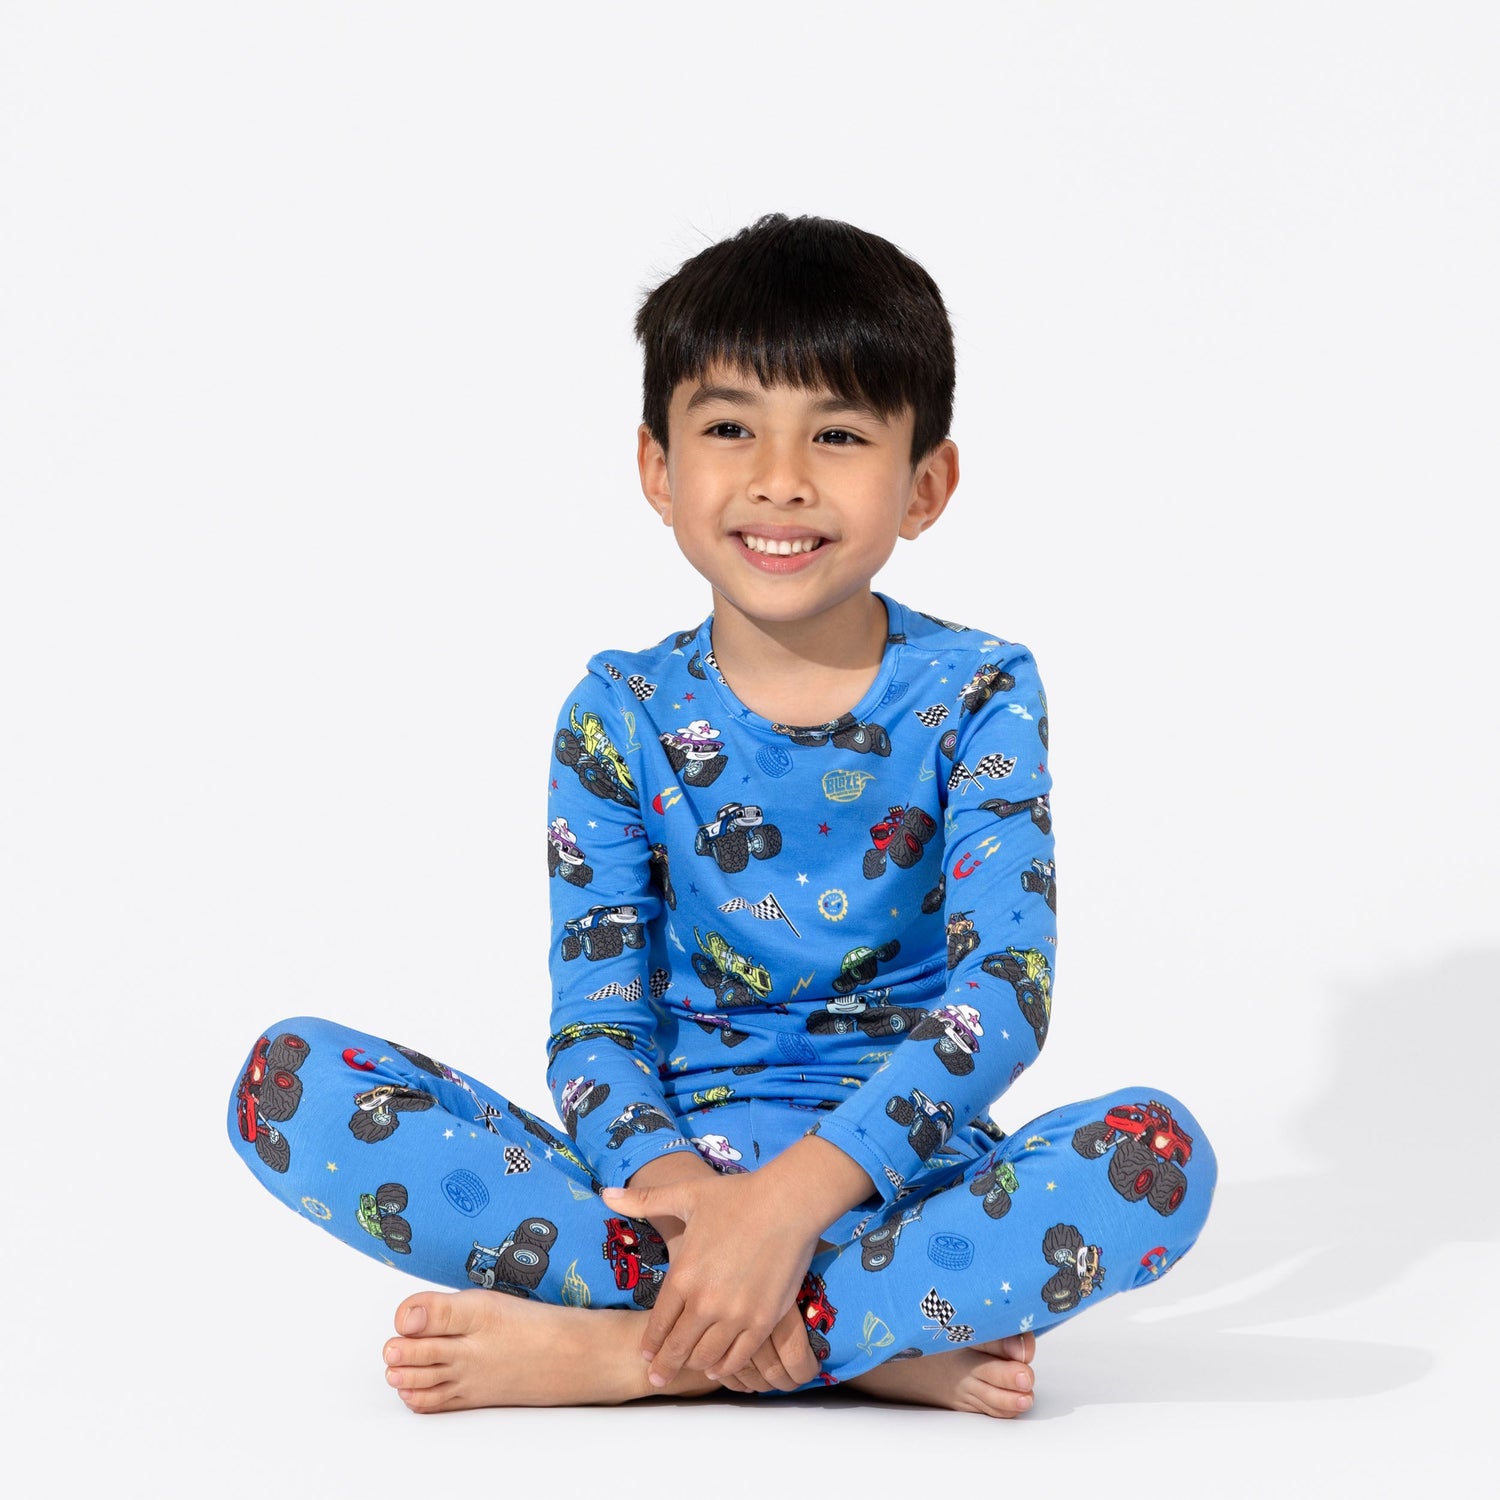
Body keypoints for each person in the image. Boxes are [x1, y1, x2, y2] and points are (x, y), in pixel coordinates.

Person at [228, 212, 1216, 1418]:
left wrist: (792, 1204)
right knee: (291, 1083)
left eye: (838, 435)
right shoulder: (618, 713)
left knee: (1158, 1157)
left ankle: (636, 1351)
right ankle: (863, 1341)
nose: (780, 478)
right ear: (658, 468)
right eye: (732, 428)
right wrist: (692, 1197)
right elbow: (598, 1025)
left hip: (900, 1187)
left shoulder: (978, 693)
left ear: (926, 485)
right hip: (658, 1196)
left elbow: (1003, 995)